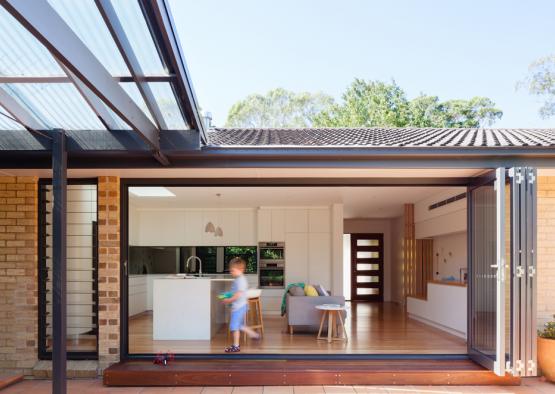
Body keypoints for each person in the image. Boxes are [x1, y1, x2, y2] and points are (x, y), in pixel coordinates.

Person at [222, 257, 259, 352]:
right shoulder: (238, 279)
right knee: (238, 325)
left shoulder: (241, 280)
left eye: (233, 270)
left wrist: (228, 300)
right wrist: (228, 296)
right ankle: (253, 334)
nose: (231, 272)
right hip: (239, 306)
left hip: (239, 307)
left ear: (241, 270)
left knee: (235, 326)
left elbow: (238, 294)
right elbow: (235, 292)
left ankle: (236, 346)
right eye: (230, 270)